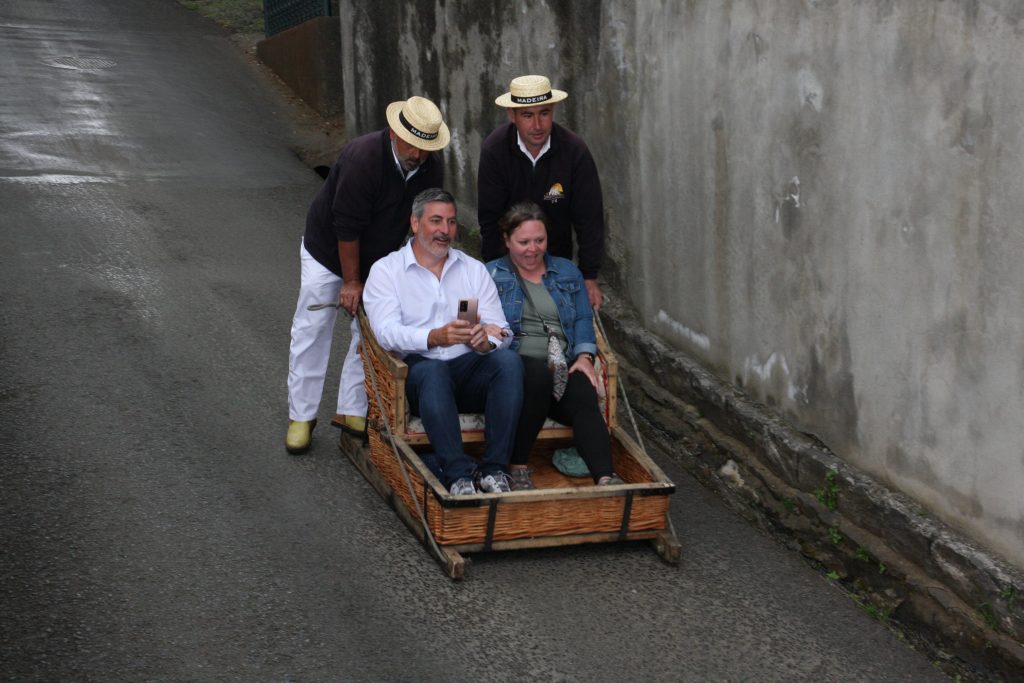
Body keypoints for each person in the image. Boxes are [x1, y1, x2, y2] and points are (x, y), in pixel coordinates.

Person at [285, 96, 450, 455]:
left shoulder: (431, 169)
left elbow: (422, 222)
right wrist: (350, 282)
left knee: (372, 329)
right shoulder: (364, 159)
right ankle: (301, 416)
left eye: (425, 147)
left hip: (381, 255)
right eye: (412, 144)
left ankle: (352, 408)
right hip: (328, 249)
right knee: (313, 328)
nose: (418, 154)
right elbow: (346, 227)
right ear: (394, 132)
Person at [363, 189, 522, 495]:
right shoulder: (387, 270)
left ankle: (494, 470)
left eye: (450, 222)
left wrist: (486, 340)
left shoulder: (472, 269)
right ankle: (458, 474)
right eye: (436, 221)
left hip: (466, 369)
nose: (444, 230)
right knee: (433, 371)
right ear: (414, 222)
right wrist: (433, 337)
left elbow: (500, 326)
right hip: (415, 374)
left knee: (508, 361)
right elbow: (384, 332)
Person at [486, 201, 622, 490]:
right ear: (507, 240)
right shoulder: (489, 274)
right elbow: (471, 318)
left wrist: (585, 356)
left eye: (539, 240)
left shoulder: (567, 272)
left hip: (560, 363)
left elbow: (584, 318)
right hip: (518, 364)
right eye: (523, 242)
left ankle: (606, 478)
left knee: (583, 389)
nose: (533, 249)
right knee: (535, 375)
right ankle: (518, 465)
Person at [477, 74, 606, 310]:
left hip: (558, 262)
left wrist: (589, 276)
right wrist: (500, 274)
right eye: (527, 115)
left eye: (544, 113)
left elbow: (590, 219)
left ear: (553, 110)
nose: (537, 125)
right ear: (512, 115)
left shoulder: (574, 151)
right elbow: (489, 220)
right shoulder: (494, 150)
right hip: (510, 261)